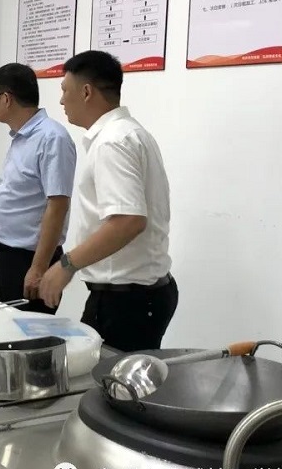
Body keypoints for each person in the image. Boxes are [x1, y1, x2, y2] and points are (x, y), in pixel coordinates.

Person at [38, 50, 178, 352]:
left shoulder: (112, 142)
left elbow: (129, 221)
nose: (61, 101)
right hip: (140, 295)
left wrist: (66, 265)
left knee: (109, 379)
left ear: (86, 92)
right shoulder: (132, 133)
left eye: (65, 90)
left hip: (128, 302)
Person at [0, 63, 77, 315]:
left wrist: (38, 268)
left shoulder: (51, 138)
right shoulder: (22, 136)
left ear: (6, 99)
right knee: (10, 328)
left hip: (32, 260)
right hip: (9, 255)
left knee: (30, 333)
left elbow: (57, 206)